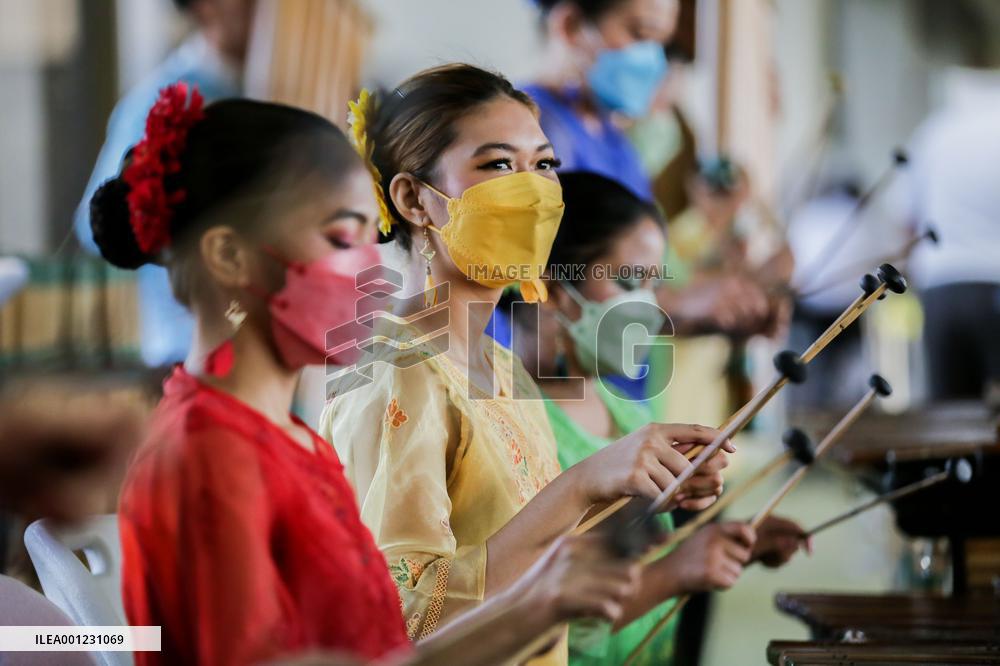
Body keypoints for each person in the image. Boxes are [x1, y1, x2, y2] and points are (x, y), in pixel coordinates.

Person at [98, 85, 646, 666]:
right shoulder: (211, 452)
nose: (366, 266)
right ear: (230, 257)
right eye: (340, 238)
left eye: (366, 235)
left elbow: (376, 639)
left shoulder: (289, 442)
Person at [320, 64, 733, 666]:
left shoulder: (501, 364)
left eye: (543, 165)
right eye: (497, 165)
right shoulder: (396, 371)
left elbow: (524, 548)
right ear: (414, 200)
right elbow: (405, 623)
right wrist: (585, 482)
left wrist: (636, 491)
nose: (534, 191)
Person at [507, 172, 808, 664]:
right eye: (628, 282)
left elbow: (633, 556)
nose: (647, 305)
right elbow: (518, 620)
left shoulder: (627, 413)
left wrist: (716, 542)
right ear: (551, 288)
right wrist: (675, 573)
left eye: (653, 283)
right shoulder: (510, 427)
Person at [74, 0, 254, 367]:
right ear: (206, 7)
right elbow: (98, 225)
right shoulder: (169, 97)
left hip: (254, 348)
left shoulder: (262, 85)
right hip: (189, 345)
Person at [898, 66, 1000, 401]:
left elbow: (907, 219)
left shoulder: (934, 132)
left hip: (943, 285)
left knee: (948, 412)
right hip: (994, 277)